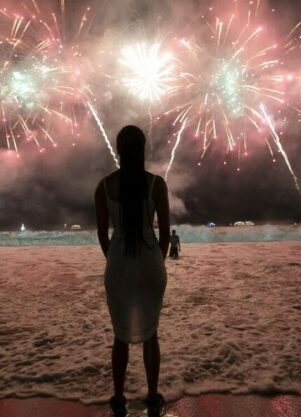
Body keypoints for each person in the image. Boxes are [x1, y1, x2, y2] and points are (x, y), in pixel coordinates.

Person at [95, 125, 169, 416]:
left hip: (118, 266)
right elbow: (165, 235)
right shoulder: (156, 185)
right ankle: (152, 395)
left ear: (118, 150)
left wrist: (116, 259)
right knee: (151, 334)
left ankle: (118, 397)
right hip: (150, 263)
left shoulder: (104, 187)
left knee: (120, 335)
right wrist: (156, 262)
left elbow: (103, 236)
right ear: (142, 149)